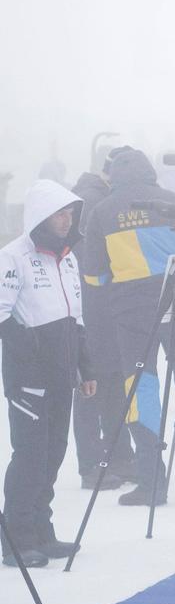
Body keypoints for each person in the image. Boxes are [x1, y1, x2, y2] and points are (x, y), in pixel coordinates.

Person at [78, 147, 175, 506]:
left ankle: (152, 484)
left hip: (133, 318)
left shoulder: (102, 212)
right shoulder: (173, 200)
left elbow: (94, 276)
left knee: (142, 393)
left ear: (113, 177)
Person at [1, 180, 88, 567]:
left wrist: (86, 366)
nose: (67, 220)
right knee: (31, 455)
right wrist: (29, 353)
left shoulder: (68, 256)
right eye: (59, 213)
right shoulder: (13, 257)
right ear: (40, 216)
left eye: (70, 212)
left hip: (62, 373)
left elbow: (77, 317)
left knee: (54, 453)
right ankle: (16, 539)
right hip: (28, 377)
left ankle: (42, 531)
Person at [66, 170, 133, 489]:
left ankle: (93, 464)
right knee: (109, 387)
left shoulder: (71, 205)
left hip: (79, 313)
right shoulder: (102, 205)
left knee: (89, 387)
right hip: (104, 309)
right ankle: (114, 459)